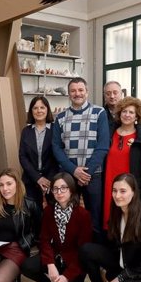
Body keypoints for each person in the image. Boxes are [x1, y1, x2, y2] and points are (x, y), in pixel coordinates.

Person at [21, 172, 91, 282]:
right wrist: (50, 264)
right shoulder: (48, 211)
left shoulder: (83, 215)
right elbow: (45, 240)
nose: (59, 192)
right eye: (55, 188)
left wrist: (67, 277)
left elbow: (84, 251)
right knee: (26, 266)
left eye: (63, 188)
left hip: (74, 263)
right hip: (56, 257)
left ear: (71, 189)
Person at [52, 77, 109, 243]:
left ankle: (96, 260)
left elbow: (103, 145)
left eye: (80, 90)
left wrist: (86, 172)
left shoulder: (99, 113)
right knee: (69, 218)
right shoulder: (60, 117)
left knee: (95, 219)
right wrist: (74, 171)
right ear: (69, 94)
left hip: (94, 175)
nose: (77, 93)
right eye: (73, 91)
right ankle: (73, 257)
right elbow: (56, 147)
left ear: (87, 92)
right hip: (70, 176)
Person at [102, 96, 141, 232]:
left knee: (130, 226)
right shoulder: (108, 133)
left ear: (137, 116)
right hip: (109, 185)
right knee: (110, 224)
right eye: (124, 111)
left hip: (131, 188)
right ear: (119, 114)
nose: (127, 115)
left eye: (131, 112)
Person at [19, 95, 58, 208]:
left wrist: (48, 180)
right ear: (31, 111)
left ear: (47, 109)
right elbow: (22, 157)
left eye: (42, 107)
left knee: (51, 214)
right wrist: (38, 178)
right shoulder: (26, 131)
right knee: (31, 214)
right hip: (30, 180)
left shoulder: (56, 129)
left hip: (52, 179)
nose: (39, 110)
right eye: (35, 108)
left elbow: (58, 156)